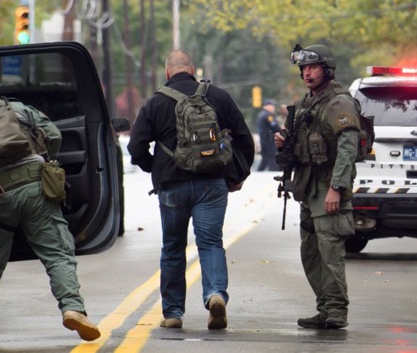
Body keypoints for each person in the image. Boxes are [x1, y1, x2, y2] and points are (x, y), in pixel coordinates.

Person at [0, 68, 100, 346]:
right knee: (57, 253)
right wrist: (44, 160)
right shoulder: (18, 110)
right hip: (37, 190)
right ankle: (72, 308)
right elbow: (54, 135)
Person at [127, 50, 255, 330]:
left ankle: (173, 313)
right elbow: (245, 139)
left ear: (167, 72)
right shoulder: (218, 96)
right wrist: (237, 175)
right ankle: (215, 294)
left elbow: (135, 147)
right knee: (210, 243)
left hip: (172, 187)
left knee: (173, 247)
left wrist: (155, 168)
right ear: (193, 70)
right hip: (212, 183)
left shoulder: (155, 102)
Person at [274, 44, 361, 329]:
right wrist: (284, 141)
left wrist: (337, 187)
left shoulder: (339, 103)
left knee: (330, 252)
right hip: (308, 188)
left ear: (326, 69)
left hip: (327, 186)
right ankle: (324, 308)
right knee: (310, 252)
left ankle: (337, 311)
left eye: (312, 67)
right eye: (303, 69)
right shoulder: (306, 103)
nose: (307, 73)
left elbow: (348, 148)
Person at [256, 99, 281, 171]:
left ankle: (259, 172)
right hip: (269, 139)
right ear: (267, 106)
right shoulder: (268, 115)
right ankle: (273, 173)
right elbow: (274, 126)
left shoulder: (261, 114)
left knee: (265, 158)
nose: (273, 108)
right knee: (272, 157)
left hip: (263, 139)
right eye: (272, 106)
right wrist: (281, 131)